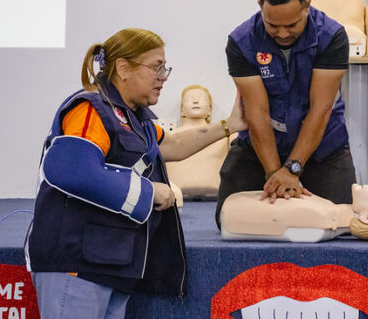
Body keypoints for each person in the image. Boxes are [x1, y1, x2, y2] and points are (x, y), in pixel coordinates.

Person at [25, 28, 246, 318]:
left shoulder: (133, 118)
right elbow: (70, 171)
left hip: (109, 264)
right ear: (123, 68)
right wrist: (150, 192)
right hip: (77, 265)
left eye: (165, 68)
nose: (163, 77)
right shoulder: (91, 109)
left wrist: (231, 124)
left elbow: (174, 145)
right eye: (156, 67)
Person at [217, 0, 357, 226]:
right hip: (260, 145)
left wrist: (292, 169)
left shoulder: (332, 37)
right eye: (272, 25)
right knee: (227, 220)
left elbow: (321, 109)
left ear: (307, 6)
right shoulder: (241, 41)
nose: (282, 34)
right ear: (260, 8)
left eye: (292, 25)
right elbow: (257, 112)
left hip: (322, 146)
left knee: (341, 222)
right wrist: (275, 175)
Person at [220, 181, 368, 242]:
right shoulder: (326, 212)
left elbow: (236, 217)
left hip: (233, 211)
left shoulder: (320, 219)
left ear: (367, 218)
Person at [165, 84, 237, 198]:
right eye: (189, 99)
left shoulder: (226, 137)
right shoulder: (168, 138)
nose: (195, 101)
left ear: (209, 110)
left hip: (215, 198)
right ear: (182, 110)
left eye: (202, 99)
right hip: (176, 199)